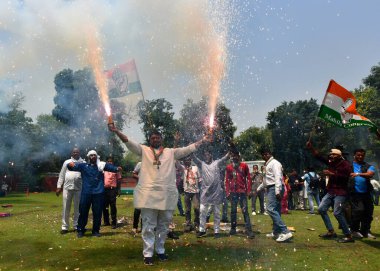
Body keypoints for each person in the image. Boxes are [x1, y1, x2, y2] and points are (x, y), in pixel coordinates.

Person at [109, 126, 209, 266]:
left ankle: (161, 250)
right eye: (152, 138)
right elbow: (128, 142)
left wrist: (203, 140)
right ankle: (148, 253)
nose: (155, 139)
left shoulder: (170, 152)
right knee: (148, 226)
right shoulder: (144, 150)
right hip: (148, 195)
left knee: (163, 225)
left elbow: (188, 148)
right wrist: (116, 131)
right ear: (149, 140)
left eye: (158, 137)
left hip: (166, 195)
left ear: (161, 139)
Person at [306, 141, 354, 243]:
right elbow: (319, 156)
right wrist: (311, 148)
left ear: (338, 156)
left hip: (341, 192)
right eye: (330, 154)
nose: (330, 156)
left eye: (333, 155)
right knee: (321, 209)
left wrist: (331, 174)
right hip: (331, 191)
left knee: (337, 212)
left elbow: (347, 176)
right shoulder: (331, 162)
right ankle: (331, 231)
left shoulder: (346, 164)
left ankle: (348, 236)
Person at [67, 150, 121, 238]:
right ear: (88, 157)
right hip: (86, 193)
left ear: (97, 157)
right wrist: (69, 165)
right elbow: (72, 167)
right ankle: (81, 230)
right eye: (91, 155)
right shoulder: (83, 166)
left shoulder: (101, 166)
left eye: (94, 155)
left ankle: (95, 231)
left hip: (98, 193)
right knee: (83, 212)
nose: (93, 157)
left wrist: (117, 168)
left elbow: (111, 167)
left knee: (97, 213)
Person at [257, 148, 293, 242]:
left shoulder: (275, 163)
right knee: (276, 210)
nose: (265, 156)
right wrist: (258, 188)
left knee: (270, 209)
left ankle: (285, 231)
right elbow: (266, 180)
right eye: (263, 154)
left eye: (266, 154)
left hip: (274, 187)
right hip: (270, 187)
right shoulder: (267, 164)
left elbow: (278, 177)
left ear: (270, 154)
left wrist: (277, 191)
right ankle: (276, 231)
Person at [194, 150, 229, 238]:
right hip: (205, 194)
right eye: (205, 155)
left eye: (208, 154)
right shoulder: (202, 164)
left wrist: (231, 149)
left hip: (216, 193)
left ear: (211, 155)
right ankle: (202, 230)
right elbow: (194, 159)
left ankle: (216, 231)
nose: (206, 156)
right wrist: (191, 149)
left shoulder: (217, 163)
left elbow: (225, 158)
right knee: (202, 212)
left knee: (216, 213)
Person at [225, 151, 254, 238]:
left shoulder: (244, 166)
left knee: (245, 211)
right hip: (233, 193)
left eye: (236, 156)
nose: (235, 157)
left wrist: (249, 190)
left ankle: (249, 230)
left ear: (239, 156)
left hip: (242, 192)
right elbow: (227, 180)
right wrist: (227, 192)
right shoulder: (229, 167)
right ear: (231, 157)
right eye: (233, 156)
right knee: (233, 211)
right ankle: (233, 229)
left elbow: (248, 178)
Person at [56, 147, 84, 234]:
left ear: (79, 153)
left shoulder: (83, 162)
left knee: (77, 208)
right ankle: (64, 227)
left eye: (77, 152)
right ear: (71, 153)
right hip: (67, 188)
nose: (75, 153)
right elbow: (61, 175)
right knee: (65, 208)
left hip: (79, 188)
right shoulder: (67, 162)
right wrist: (59, 186)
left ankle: (76, 225)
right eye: (74, 152)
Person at [349, 149, 375, 239]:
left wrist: (358, 174)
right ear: (354, 155)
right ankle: (354, 230)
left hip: (366, 193)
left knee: (368, 213)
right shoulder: (349, 166)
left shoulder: (368, 166)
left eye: (362, 155)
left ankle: (365, 231)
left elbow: (370, 174)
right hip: (354, 193)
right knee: (358, 211)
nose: (360, 157)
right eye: (358, 155)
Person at [182, 156, 201, 232]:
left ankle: (196, 223)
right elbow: (176, 163)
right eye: (185, 160)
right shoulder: (183, 168)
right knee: (187, 209)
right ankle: (188, 224)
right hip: (186, 191)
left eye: (188, 160)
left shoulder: (195, 168)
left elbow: (200, 179)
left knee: (196, 208)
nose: (186, 162)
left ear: (190, 160)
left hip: (195, 192)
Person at [102, 157, 122, 229]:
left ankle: (114, 222)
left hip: (112, 190)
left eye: (111, 161)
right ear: (106, 162)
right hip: (104, 190)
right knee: (105, 206)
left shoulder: (116, 170)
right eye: (108, 161)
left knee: (113, 206)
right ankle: (106, 221)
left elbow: (119, 180)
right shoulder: (104, 170)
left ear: (113, 163)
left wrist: (119, 189)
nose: (110, 163)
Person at [132, 162, 142, 235]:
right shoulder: (140, 164)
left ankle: (144, 227)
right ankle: (135, 227)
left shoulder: (153, 164)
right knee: (138, 208)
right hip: (140, 189)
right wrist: (140, 177)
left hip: (150, 190)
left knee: (147, 209)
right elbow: (134, 174)